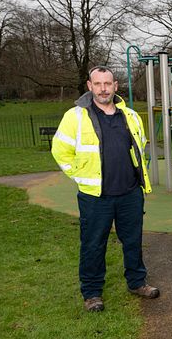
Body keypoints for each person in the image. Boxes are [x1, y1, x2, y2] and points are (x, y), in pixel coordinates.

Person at [52, 65, 160, 312]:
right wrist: (80, 174)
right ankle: (91, 293)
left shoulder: (130, 115)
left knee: (132, 241)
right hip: (95, 197)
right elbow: (60, 151)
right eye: (98, 84)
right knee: (93, 244)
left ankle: (137, 282)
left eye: (107, 84)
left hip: (130, 193)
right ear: (90, 86)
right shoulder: (75, 116)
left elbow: (140, 146)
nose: (103, 89)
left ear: (115, 86)